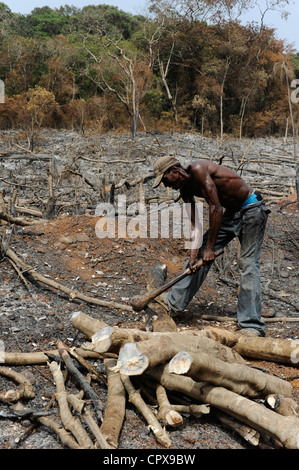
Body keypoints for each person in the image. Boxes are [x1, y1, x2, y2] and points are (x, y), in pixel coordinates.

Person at [152, 155, 270, 336]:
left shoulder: (199, 169)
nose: (166, 186)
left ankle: (252, 325)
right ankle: (173, 304)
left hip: (252, 209)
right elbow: (195, 224)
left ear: (175, 171)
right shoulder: (184, 191)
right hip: (231, 213)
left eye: (166, 180)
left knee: (247, 264)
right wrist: (194, 254)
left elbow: (215, 208)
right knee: (198, 256)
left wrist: (210, 248)